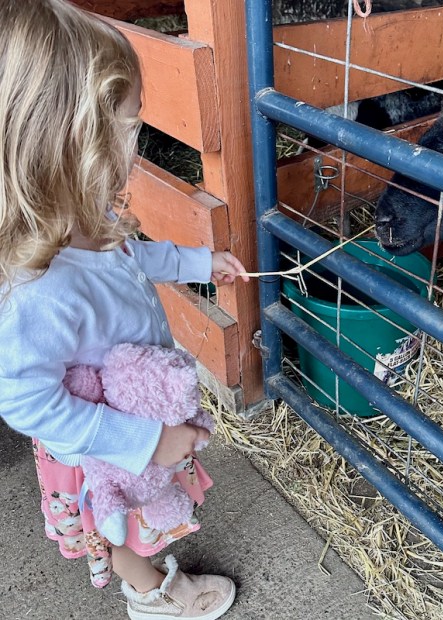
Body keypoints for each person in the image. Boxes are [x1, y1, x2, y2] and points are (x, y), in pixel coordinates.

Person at [0, 1, 250, 618]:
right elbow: (25, 399)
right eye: (130, 128)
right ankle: (151, 596)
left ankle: (146, 573)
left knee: (140, 515)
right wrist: (141, 441)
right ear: (70, 141)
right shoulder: (39, 289)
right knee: (122, 527)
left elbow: (133, 257)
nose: (136, 148)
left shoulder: (89, 217)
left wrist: (198, 264)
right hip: (103, 444)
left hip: (132, 420)